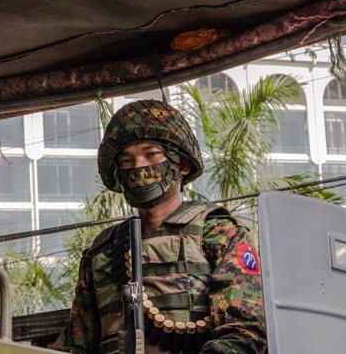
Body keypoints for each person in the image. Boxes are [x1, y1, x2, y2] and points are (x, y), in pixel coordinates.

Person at [54, 99, 267, 353]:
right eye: (125, 161)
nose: (139, 167)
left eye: (151, 154)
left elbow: (245, 332)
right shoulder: (103, 251)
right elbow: (77, 344)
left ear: (182, 165)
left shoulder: (217, 232)